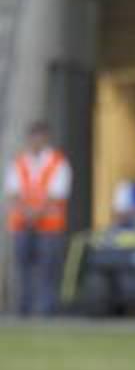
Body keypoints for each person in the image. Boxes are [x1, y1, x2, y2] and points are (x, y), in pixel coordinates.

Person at [5, 121, 71, 316]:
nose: (36, 141)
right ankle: (23, 309)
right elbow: (12, 192)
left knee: (47, 268)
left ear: (46, 138)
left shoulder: (58, 162)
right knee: (23, 268)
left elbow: (58, 193)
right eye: (33, 137)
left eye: (40, 137)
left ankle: (46, 311)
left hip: (49, 225)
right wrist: (27, 213)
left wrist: (36, 213)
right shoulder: (19, 162)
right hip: (22, 224)